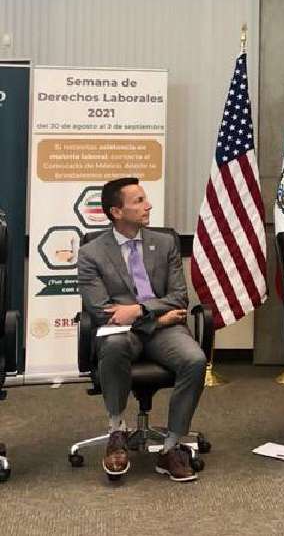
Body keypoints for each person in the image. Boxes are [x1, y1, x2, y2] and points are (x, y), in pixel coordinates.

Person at [78, 177, 206, 482]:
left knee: (195, 359)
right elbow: (101, 311)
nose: (148, 205)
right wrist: (157, 318)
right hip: (127, 333)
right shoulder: (91, 253)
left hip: (163, 331)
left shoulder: (164, 243)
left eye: (145, 199)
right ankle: (116, 430)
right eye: (138, 201)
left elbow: (179, 297)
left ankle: (171, 447)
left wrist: (138, 310)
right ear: (116, 212)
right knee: (114, 346)